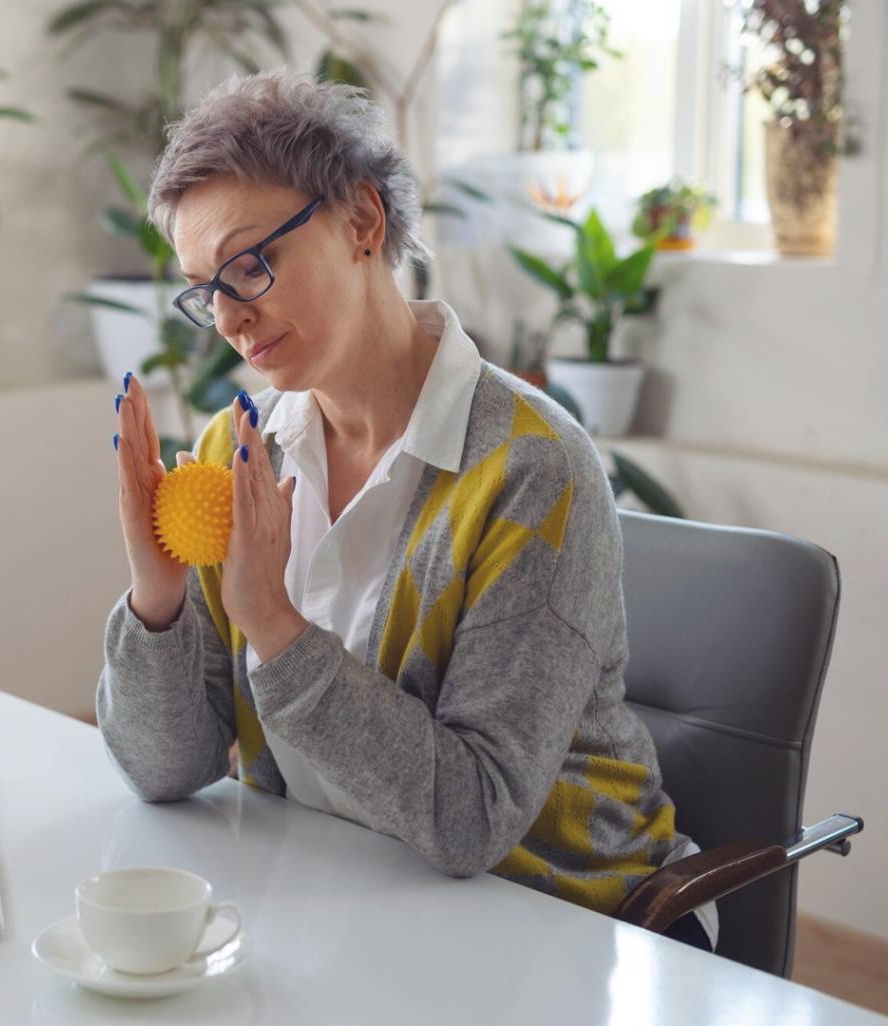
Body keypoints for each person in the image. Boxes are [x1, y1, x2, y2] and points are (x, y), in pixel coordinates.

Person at [96, 70, 716, 952]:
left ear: (360, 220)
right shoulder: (240, 455)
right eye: (206, 288)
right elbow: (165, 770)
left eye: (250, 264)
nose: (230, 319)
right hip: (341, 902)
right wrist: (156, 601)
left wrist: (271, 623)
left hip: (563, 924)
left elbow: (472, 817)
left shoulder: (532, 470)